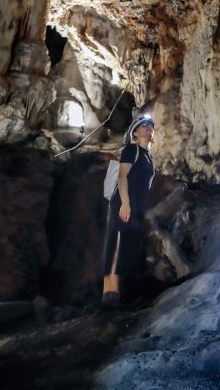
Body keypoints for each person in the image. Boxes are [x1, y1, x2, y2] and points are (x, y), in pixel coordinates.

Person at [101, 115, 156, 305]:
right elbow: (122, 176)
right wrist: (125, 203)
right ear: (135, 132)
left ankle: (113, 293)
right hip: (124, 203)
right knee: (117, 243)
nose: (149, 128)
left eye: (151, 126)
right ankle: (110, 291)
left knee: (127, 246)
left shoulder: (148, 156)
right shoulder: (132, 150)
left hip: (136, 206)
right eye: (144, 126)